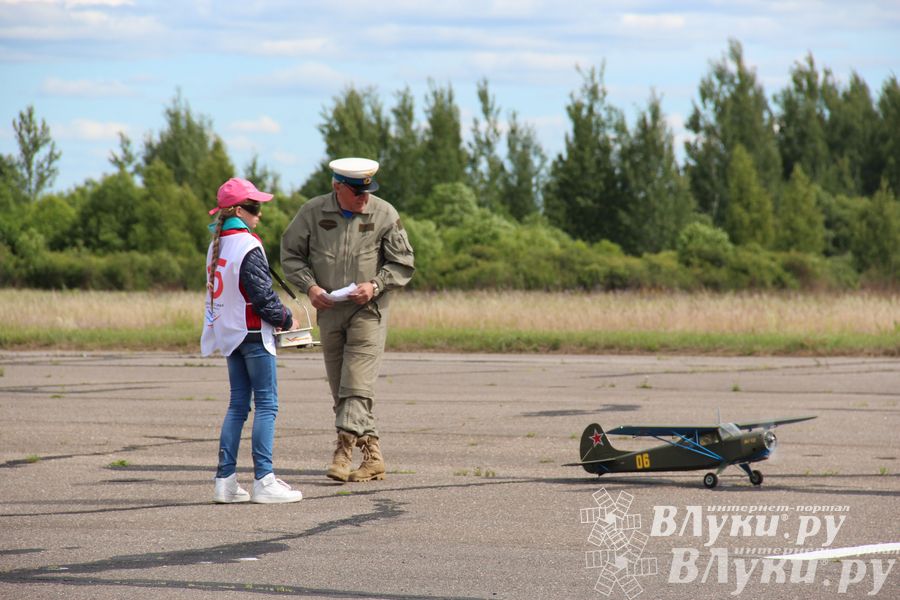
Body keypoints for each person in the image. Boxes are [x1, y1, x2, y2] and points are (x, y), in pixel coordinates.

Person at [281, 158, 415, 483]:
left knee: (356, 383)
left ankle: (342, 454)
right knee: (342, 389)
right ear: (337, 187)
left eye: (368, 192)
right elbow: (290, 255)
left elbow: (404, 261)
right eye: (356, 192)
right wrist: (310, 288)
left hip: (369, 313)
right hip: (329, 311)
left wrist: (375, 285)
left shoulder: (384, 213)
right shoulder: (311, 213)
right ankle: (374, 458)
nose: (363, 198)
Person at [202, 177, 303, 504]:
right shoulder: (246, 245)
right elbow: (262, 297)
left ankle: (225, 481)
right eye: (254, 207)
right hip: (252, 333)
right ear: (238, 210)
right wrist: (287, 319)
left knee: (237, 406)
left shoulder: (218, 243)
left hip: (229, 333)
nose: (259, 213)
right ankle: (264, 480)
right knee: (267, 404)